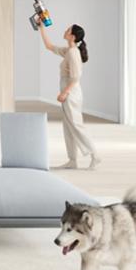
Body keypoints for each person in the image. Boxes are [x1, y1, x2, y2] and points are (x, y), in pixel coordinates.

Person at [41, 22, 98, 169]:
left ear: (72, 36)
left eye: (68, 30)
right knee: (68, 126)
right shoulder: (69, 50)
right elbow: (49, 46)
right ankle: (72, 160)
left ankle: (95, 155)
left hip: (71, 93)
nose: (65, 30)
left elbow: (76, 77)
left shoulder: (73, 53)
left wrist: (64, 93)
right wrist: (41, 28)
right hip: (69, 91)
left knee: (76, 125)